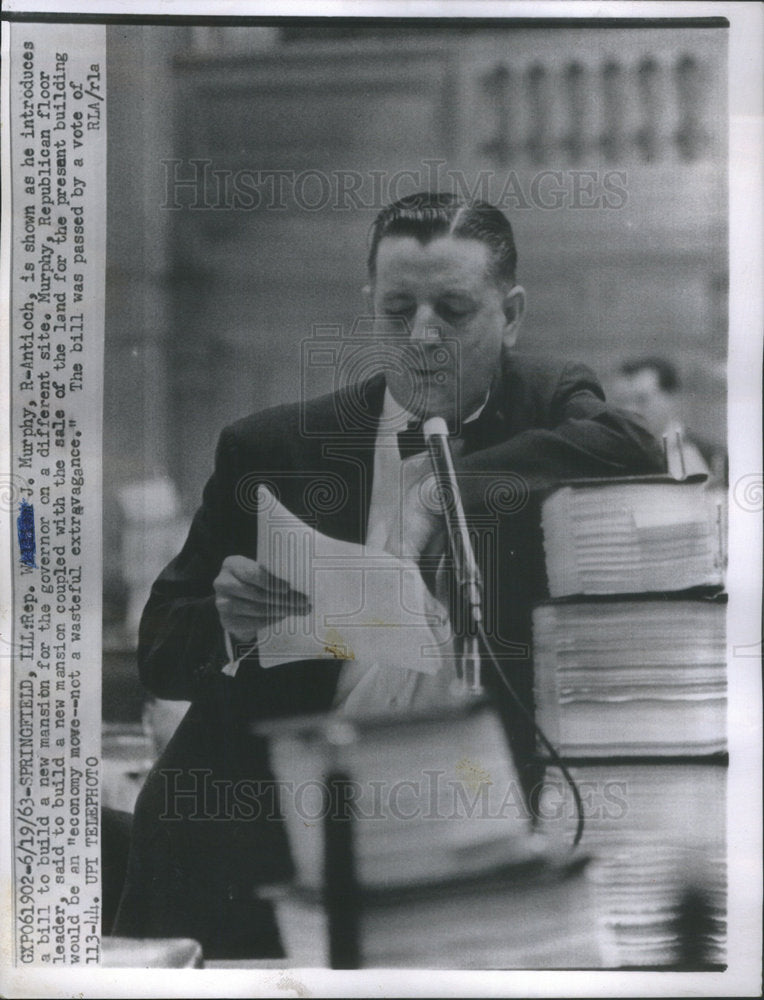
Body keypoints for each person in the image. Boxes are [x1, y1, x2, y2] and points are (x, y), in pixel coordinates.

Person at [114, 193, 664, 958]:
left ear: (511, 314)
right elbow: (163, 651)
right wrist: (230, 624)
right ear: (371, 305)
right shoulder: (271, 448)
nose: (423, 336)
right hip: (258, 832)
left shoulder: (542, 402)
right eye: (398, 309)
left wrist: (449, 485)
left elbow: (637, 444)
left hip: (458, 832)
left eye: (454, 309)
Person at [612, 356, 728, 486]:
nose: (630, 410)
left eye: (641, 399)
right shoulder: (607, 460)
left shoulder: (715, 459)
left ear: (672, 398)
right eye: (621, 401)